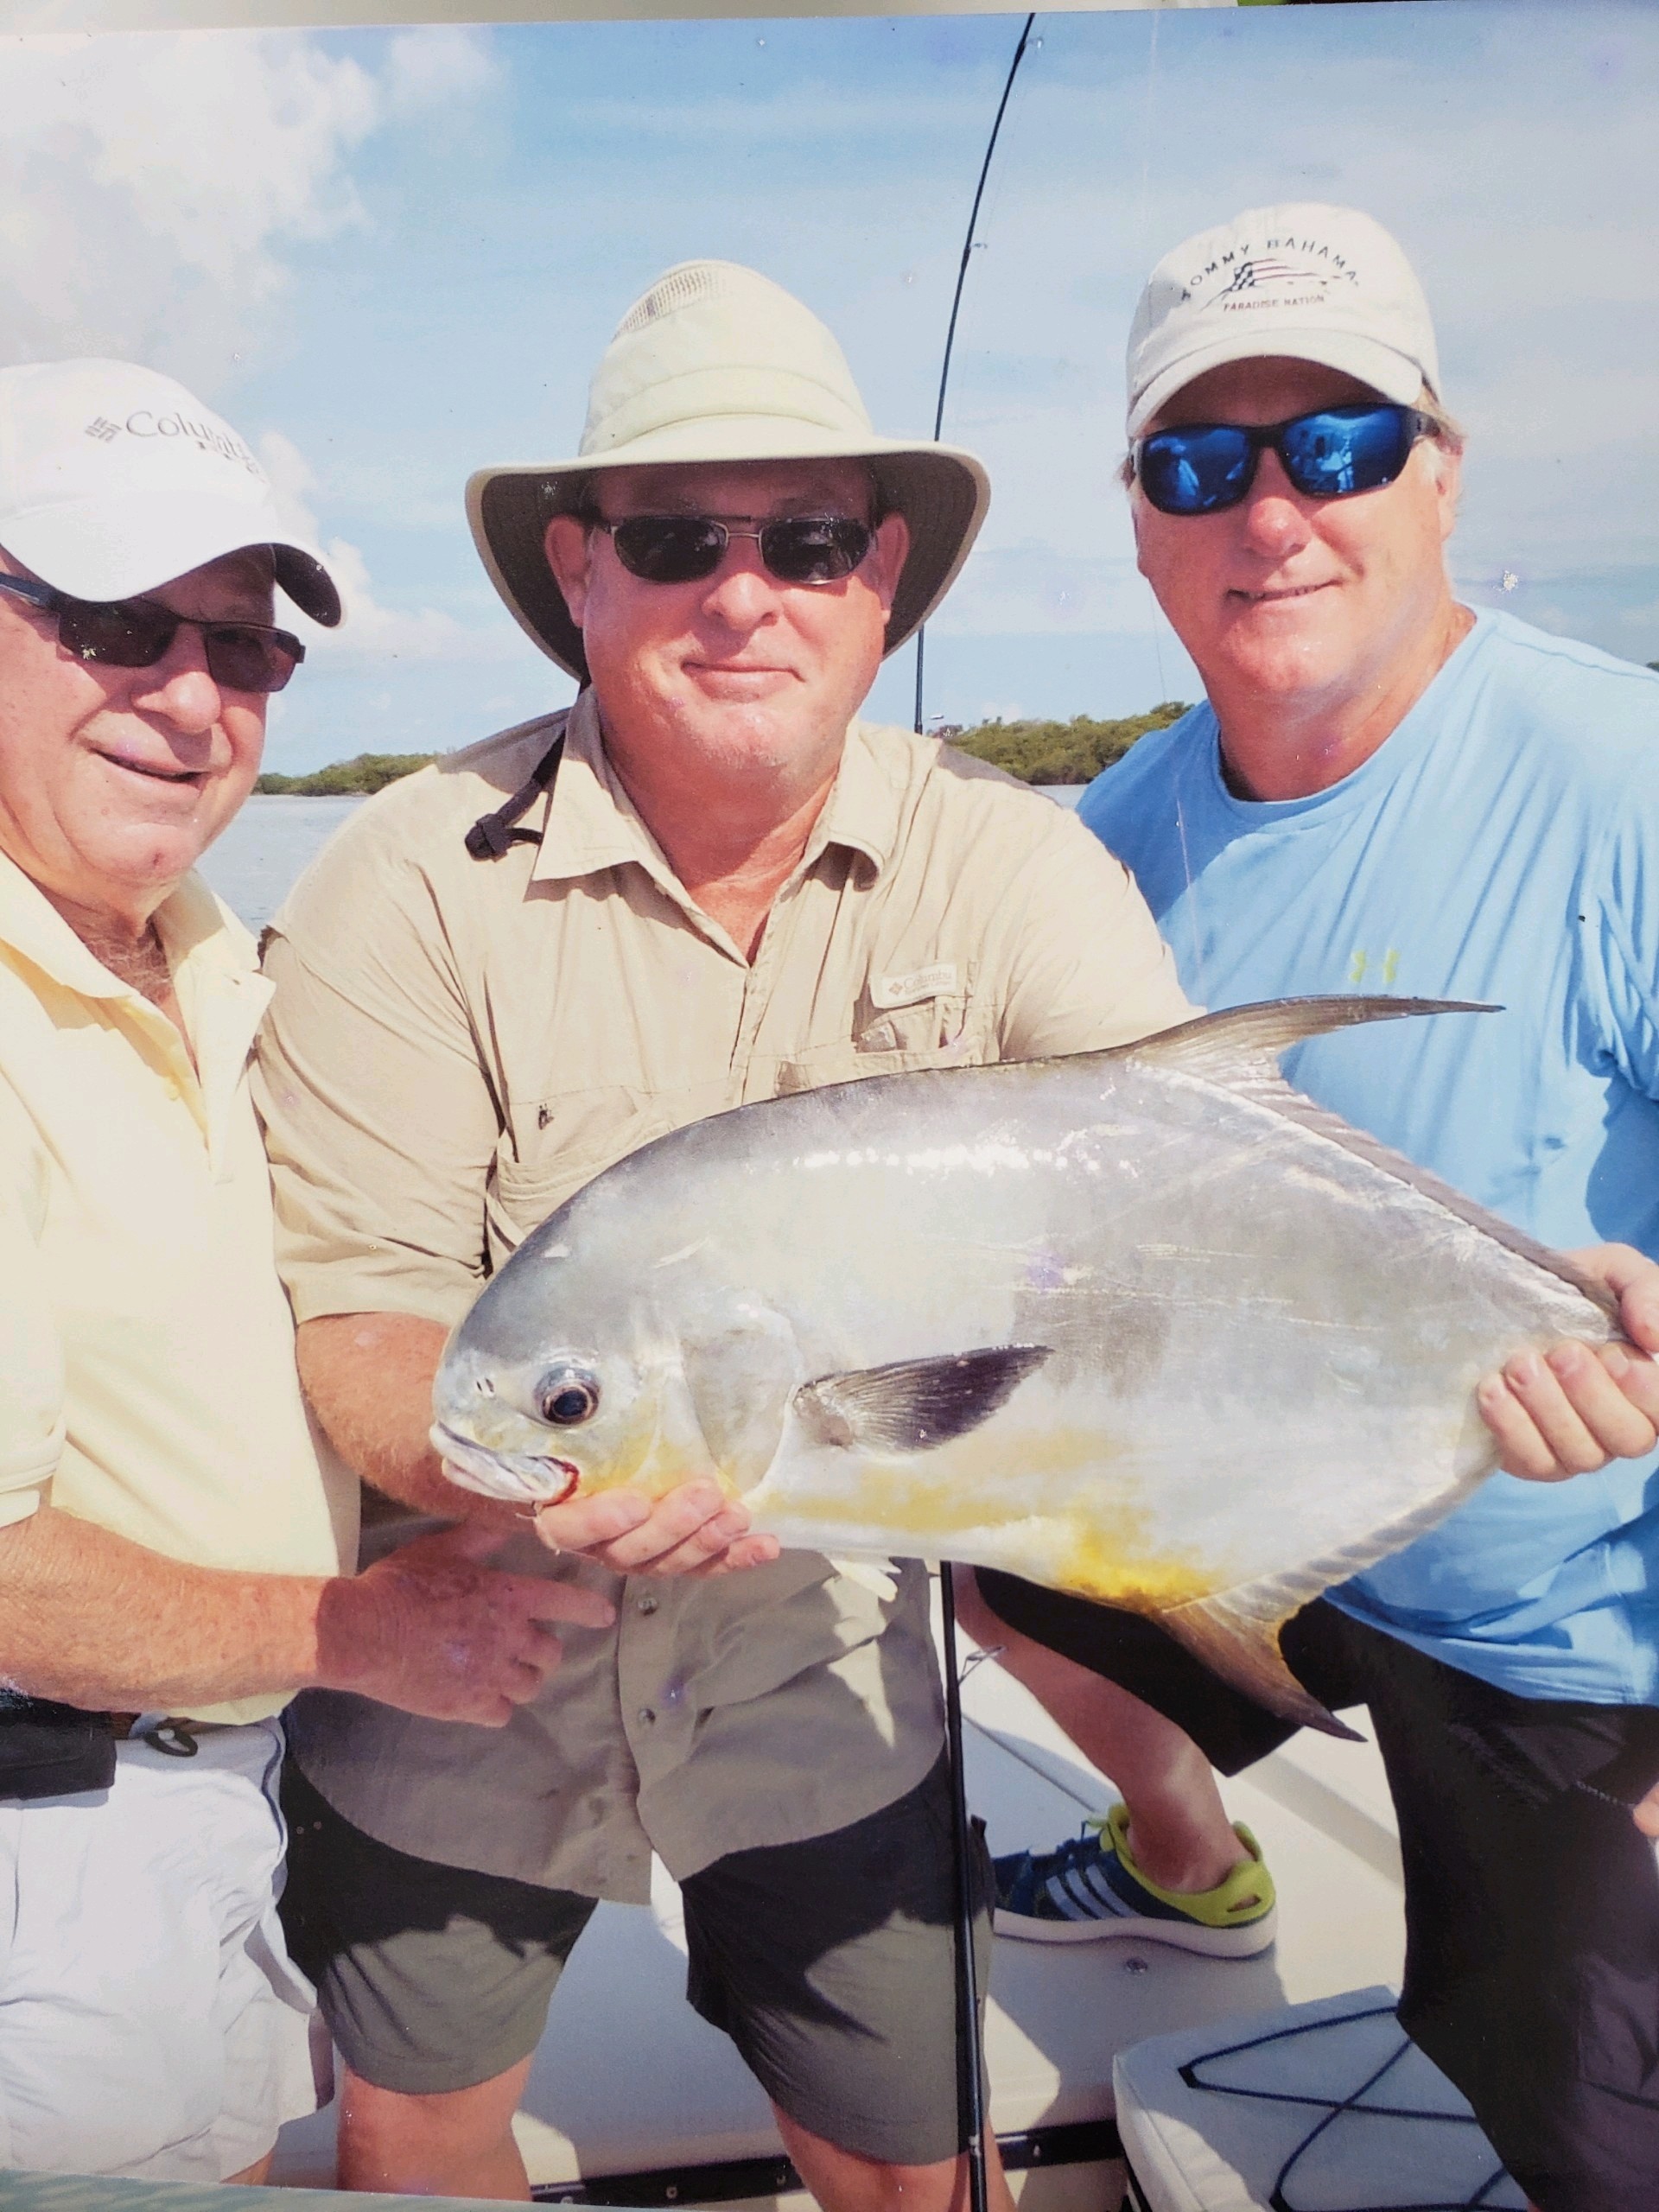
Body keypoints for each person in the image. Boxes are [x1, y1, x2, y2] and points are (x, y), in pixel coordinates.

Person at [252, 259, 1203, 2209]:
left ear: (882, 578)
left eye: (808, 536)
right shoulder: (404, 874)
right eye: (679, 536)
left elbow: (1172, 1195)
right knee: (414, 2130)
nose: (743, 590)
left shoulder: (1015, 860)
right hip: (462, 1644)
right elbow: (359, 1315)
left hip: (837, 1659)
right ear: (582, 569)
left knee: (909, 2156)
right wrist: (521, 1467)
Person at [965, 205, 1659, 2212]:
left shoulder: (1620, 778)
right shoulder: (1108, 836)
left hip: (1578, 1617)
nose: (1271, 512)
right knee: (946, 1521)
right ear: (1142, 517)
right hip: (1261, 1525)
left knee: (1593, 2135)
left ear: (1441, 470)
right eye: (1201, 463)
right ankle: (1190, 1863)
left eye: (1336, 446)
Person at [0, 357, 619, 2185]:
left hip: (218, 1800)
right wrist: (354, 1631)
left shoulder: (209, 955)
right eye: (115, 626)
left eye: (244, 648)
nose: (191, 699)